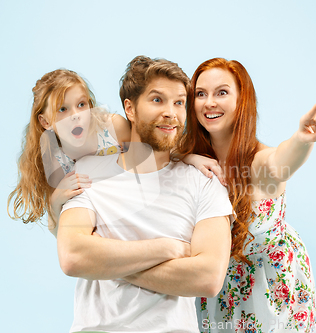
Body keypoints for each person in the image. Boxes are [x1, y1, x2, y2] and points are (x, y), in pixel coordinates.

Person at [57, 56, 233, 333]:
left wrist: (106, 261)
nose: (171, 113)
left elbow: (208, 277)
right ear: (130, 108)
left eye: (179, 103)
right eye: (157, 100)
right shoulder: (89, 171)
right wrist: (168, 249)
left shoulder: (206, 181)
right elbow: (73, 257)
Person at [177, 58, 316, 332]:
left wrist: (301, 138)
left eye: (222, 92)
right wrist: (188, 157)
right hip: (216, 290)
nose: (209, 102)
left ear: (242, 101)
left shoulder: (258, 162)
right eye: (201, 94)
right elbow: (143, 152)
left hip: (270, 289)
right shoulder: (191, 157)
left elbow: (281, 162)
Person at [7, 69, 131, 235]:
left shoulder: (113, 128)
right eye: (62, 109)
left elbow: (151, 168)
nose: (75, 116)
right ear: (45, 122)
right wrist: (56, 200)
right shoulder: (55, 159)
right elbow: (58, 231)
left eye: (81, 105)